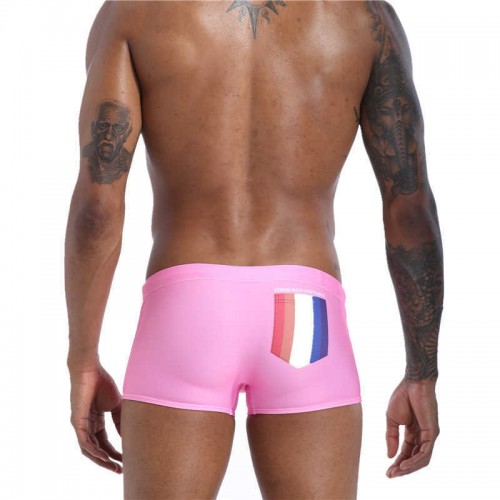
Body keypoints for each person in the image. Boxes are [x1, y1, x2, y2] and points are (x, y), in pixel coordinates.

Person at [64, 1, 444, 498]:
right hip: (304, 314)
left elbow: (97, 206)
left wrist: (83, 360)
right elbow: (410, 208)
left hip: (188, 311)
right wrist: (422, 373)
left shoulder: (135, 12)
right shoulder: (363, 17)